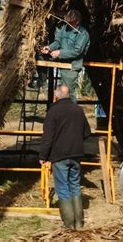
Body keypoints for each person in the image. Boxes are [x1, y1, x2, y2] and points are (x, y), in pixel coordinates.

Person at [39, 85, 91, 229]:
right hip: (76, 154)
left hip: (59, 155)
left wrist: (43, 156)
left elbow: (47, 137)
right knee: (74, 185)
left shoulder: (53, 111)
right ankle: (79, 222)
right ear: (69, 95)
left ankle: (69, 223)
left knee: (62, 187)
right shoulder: (78, 109)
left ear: (56, 96)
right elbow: (87, 133)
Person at [40, 9, 90, 102]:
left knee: (67, 92)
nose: (68, 24)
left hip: (72, 65)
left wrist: (60, 53)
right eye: (67, 22)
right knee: (40, 56)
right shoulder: (63, 28)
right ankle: (43, 84)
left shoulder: (83, 34)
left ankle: (71, 113)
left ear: (77, 21)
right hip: (60, 60)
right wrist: (49, 48)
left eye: (71, 22)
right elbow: (58, 42)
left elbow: (77, 51)